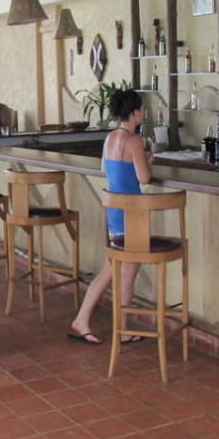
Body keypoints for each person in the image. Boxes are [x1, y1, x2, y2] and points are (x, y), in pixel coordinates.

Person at [69, 88, 153, 345]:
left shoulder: (110, 138)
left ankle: (95, 322)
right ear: (135, 112)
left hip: (116, 212)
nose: (144, 112)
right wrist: (149, 159)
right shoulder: (134, 140)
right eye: (142, 108)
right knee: (124, 271)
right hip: (132, 213)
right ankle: (113, 326)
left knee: (116, 270)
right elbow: (144, 178)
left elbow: (105, 171)